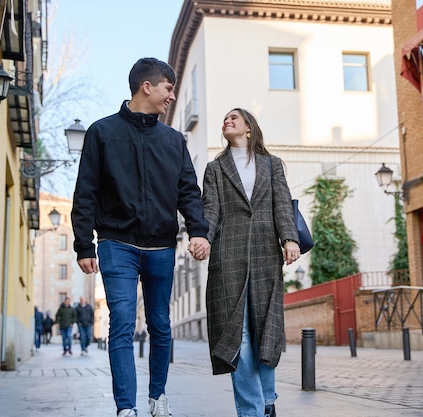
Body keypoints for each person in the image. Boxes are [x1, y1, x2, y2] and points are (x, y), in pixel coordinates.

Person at [71, 57, 210, 417]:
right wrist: (84, 243)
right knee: (121, 323)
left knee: (160, 325)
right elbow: (85, 190)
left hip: (162, 247)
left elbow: (188, 191)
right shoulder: (102, 132)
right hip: (116, 244)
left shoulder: (173, 140)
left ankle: (157, 397)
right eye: (168, 88)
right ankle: (125, 408)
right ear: (146, 87)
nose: (172, 96)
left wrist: (198, 231)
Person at [202, 108, 300, 417]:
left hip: (265, 255)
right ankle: (252, 410)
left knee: (264, 332)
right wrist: (202, 237)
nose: (227, 121)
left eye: (234, 117)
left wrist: (290, 238)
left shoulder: (272, 165)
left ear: (248, 128)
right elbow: (211, 210)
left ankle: (267, 400)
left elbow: (282, 203)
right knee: (237, 336)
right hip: (227, 256)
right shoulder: (215, 168)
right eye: (225, 119)